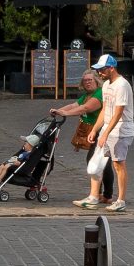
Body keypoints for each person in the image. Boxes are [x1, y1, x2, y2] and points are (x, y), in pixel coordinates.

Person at [54, 70, 113, 206]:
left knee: (97, 162)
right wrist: (59, 110)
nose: (87, 82)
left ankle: (101, 195)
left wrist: (65, 114)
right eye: (85, 80)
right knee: (102, 163)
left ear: (96, 81)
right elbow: (74, 105)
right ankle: (103, 195)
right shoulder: (87, 95)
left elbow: (85, 108)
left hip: (102, 131)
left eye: (90, 80)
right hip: (93, 132)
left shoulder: (99, 94)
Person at [88, 53, 134, 213]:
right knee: (98, 161)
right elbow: (105, 110)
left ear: (111, 68)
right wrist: (95, 129)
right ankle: (94, 196)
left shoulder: (122, 85)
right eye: (98, 70)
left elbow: (118, 112)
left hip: (121, 130)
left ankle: (120, 200)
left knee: (118, 164)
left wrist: (105, 134)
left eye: (102, 69)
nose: (99, 73)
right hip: (108, 128)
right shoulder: (106, 85)